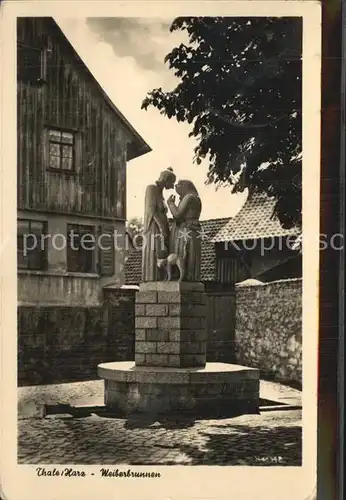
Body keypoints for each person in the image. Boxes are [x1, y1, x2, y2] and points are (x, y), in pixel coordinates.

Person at [142, 167, 176, 281]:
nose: (172, 187)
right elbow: (152, 211)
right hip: (154, 228)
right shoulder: (151, 188)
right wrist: (162, 229)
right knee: (155, 251)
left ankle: (162, 278)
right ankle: (152, 279)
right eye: (171, 183)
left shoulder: (160, 192)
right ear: (165, 179)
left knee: (162, 253)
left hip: (162, 228)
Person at [167, 179, 202, 282]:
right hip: (192, 228)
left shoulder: (189, 197)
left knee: (184, 252)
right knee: (190, 253)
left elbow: (177, 215)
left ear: (185, 186)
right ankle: (190, 277)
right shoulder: (196, 198)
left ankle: (182, 277)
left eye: (178, 185)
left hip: (185, 229)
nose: (175, 187)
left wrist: (170, 204)